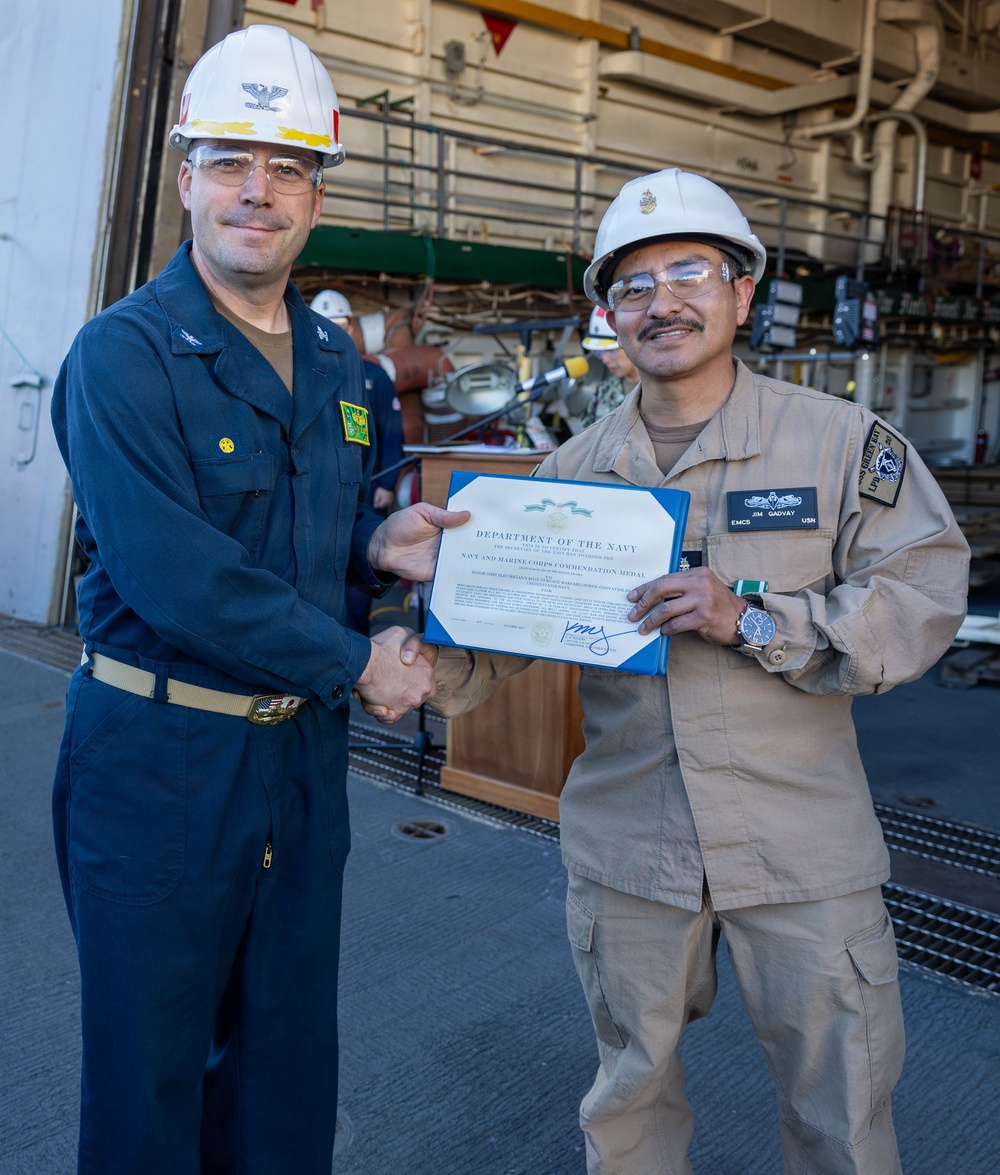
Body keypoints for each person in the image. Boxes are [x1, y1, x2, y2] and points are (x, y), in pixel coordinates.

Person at [394, 167, 970, 1173]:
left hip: (801, 847)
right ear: (609, 316)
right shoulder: (567, 474)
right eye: (633, 284)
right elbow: (500, 643)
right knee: (629, 1105)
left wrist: (750, 616)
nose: (663, 300)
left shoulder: (838, 445)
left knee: (840, 1114)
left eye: (690, 270)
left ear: (741, 292)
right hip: (631, 846)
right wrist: (410, 649)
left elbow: (921, 593)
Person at [49, 24, 466, 1174]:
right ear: (187, 177)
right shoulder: (123, 356)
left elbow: (373, 535)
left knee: (286, 1060)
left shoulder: (348, 371)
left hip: (298, 766)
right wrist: (358, 663)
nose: (258, 190)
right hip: (157, 757)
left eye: (287, 167)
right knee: (151, 1073)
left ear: (316, 195)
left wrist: (389, 586)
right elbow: (173, 571)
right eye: (232, 161)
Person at [310, 289, 405, 634]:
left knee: (356, 574)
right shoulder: (303, 376)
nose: (332, 331)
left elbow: (392, 433)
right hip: (316, 496)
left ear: (350, 327)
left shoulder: (372, 377)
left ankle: (355, 659)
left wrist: (386, 485)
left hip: (361, 495)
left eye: (338, 324)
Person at [579, 304, 640, 427]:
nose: (605, 360)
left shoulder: (660, 391)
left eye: (611, 350)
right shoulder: (604, 389)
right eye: (599, 352)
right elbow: (585, 437)